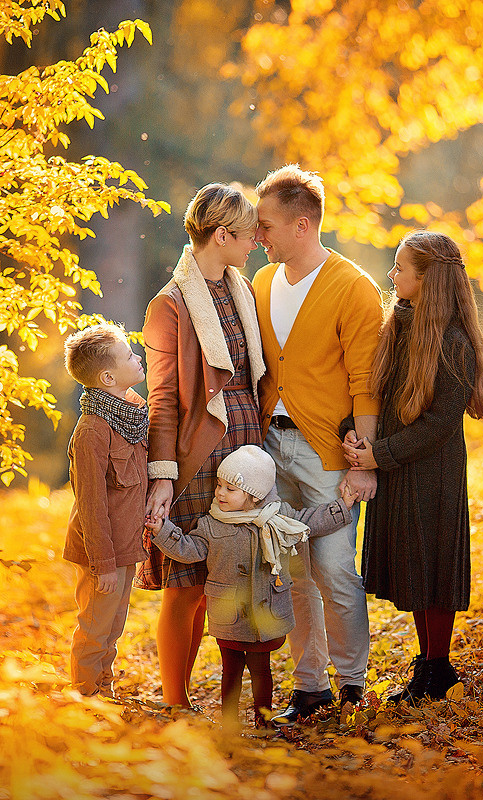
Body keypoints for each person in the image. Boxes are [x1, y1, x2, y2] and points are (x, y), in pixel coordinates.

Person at [252, 164, 384, 723]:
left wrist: (365, 462)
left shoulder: (352, 287)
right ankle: (310, 688)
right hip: (270, 450)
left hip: (328, 452)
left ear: (302, 225)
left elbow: (367, 382)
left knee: (333, 570)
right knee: (295, 575)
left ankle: (352, 683)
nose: (258, 237)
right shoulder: (259, 284)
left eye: (266, 226)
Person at [135, 183, 274, 709]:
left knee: (224, 582)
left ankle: (230, 700)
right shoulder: (168, 306)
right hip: (199, 456)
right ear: (221, 235)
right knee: (186, 585)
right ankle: (176, 702)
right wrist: (164, 475)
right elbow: (163, 399)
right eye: (247, 234)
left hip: (244, 448)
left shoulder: (240, 290)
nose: (256, 242)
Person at [341, 230, 483, 703]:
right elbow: (379, 396)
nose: (392, 275)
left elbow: (439, 425)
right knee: (414, 571)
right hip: (400, 469)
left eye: (400, 267)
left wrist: (378, 455)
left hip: (434, 474)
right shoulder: (397, 327)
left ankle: (437, 667)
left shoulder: (453, 343)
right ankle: (428, 665)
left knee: (434, 572)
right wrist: (354, 428)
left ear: (427, 279)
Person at [144, 445, 357, 729]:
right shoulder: (210, 524)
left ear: (254, 495)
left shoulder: (277, 519)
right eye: (219, 485)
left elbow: (311, 521)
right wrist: (162, 531)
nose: (220, 493)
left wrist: (342, 506)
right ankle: (230, 725)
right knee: (230, 672)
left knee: (261, 672)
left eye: (230, 489)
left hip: (265, 616)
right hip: (229, 618)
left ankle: (264, 720)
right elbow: (190, 549)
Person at [62, 324, 149, 697]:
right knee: (95, 628)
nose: (139, 357)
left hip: (124, 547)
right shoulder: (93, 431)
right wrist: (104, 563)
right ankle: (86, 697)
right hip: (102, 553)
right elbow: (92, 506)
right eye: (130, 355)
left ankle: (104, 688)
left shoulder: (130, 417)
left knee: (113, 627)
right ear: (108, 376)